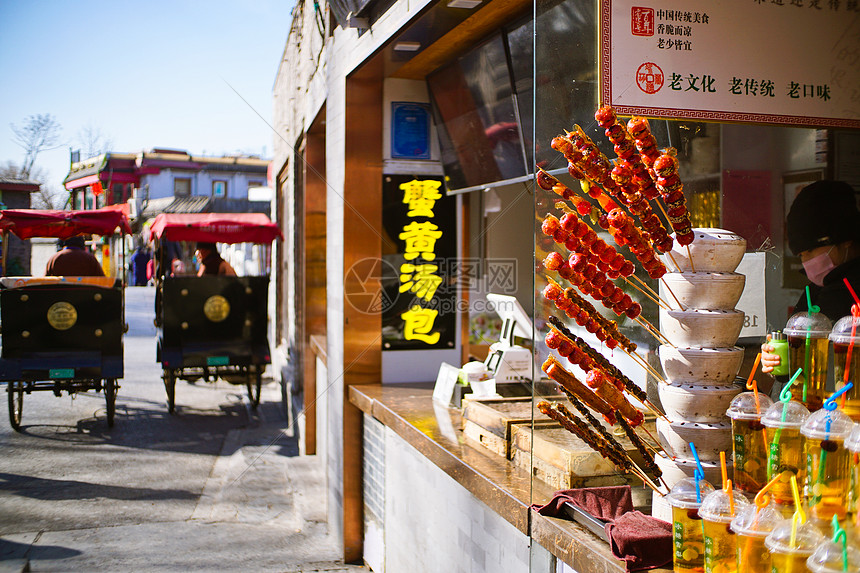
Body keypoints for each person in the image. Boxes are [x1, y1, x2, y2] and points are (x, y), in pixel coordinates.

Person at [761, 180, 860, 375]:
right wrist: (776, 359)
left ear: (845, 240)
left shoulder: (850, 287)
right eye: (800, 255)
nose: (805, 261)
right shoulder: (816, 288)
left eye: (811, 250)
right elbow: (794, 355)